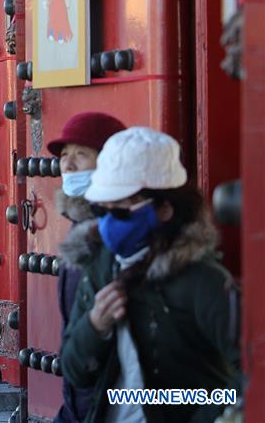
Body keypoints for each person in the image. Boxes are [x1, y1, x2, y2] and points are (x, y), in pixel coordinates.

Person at [60, 127, 240, 423]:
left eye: (120, 211)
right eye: (100, 210)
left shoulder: (201, 280)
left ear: (164, 209)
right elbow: (74, 370)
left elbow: (252, 373)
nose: (107, 223)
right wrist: (94, 327)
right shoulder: (101, 265)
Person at [48, 112, 127, 423]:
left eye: (81, 155)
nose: (68, 166)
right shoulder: (81, 224)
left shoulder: (117, 233)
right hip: (81, 401)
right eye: (65, 155)